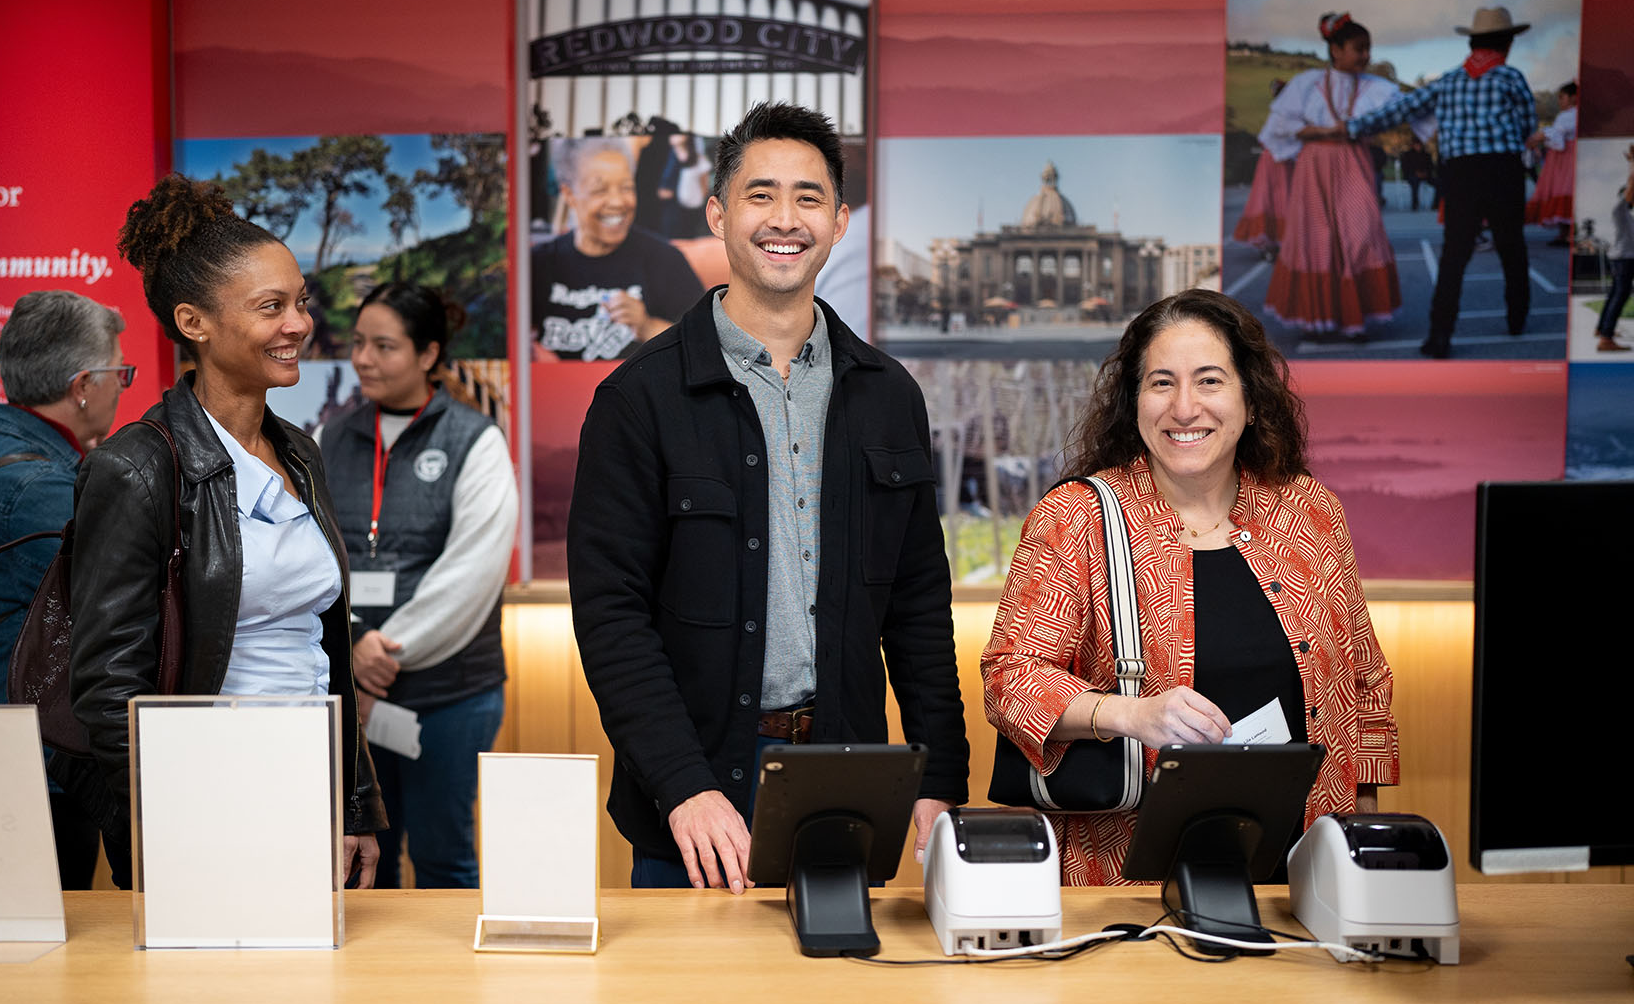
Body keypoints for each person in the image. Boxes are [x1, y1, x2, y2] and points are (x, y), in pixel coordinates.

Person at [568, 101, 970, 892]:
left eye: (808, 197)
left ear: (840, 221)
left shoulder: (888, 395)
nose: (785, 219)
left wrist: (938, 775)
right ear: (718, 214)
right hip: (694, 792)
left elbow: (918, 603)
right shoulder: (639, 398)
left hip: (848, 770)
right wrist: (683, 784)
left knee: (842, 974)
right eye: (761, 195)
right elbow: (612, 616)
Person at [981, 289, 1398, 887]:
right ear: (1134, 401)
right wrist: (1132, 713)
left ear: (1250, 400)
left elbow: (1365, 681)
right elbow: (1009, 680)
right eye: (1161, 383)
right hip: (1132, 874)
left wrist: (1362, 842)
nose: (1184, 408)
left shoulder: (1309, 511)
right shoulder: (1077, 519)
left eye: (1209, 381)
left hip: (1306, 870)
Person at [70, 174, 386, 889]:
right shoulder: (138, 468)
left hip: (309, 787)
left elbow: (324, 648)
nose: (298, 324)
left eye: (300, 302)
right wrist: (185, 823)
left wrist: (353, 803)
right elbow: (109, 689)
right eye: (271, 307)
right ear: (194, 323)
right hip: (209, 806)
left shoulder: (299, 451)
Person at [0, 289, 129, 888]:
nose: (122, 388)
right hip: (27, 766)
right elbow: (115, 602)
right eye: (120, 374)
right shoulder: (34, 490)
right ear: (83, 385)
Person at [317, 281, 516, 887]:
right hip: (353, 691)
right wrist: (353, 643)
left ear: (428, 354)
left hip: (450, 693)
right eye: (358, 343)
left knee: (443, 859)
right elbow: (311, 558)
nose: (363, 359)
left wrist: (383, 652)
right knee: (362, 859)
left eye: (384, 346)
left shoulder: (475, 439)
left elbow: (472, 573)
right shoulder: (330, 438)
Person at [1334, 6, 1538, 359]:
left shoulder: (1448, 81)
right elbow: (1527, 126)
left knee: (1454, 255)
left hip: (1460, 173)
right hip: (1503, 170)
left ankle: (1440, 335)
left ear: (1472, 43)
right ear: (1506, 44)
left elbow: (1399, 110)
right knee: (1512, 248)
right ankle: (1516, 319)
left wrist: (1352, 127)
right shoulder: (1511, 77)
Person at [1260, 14, 1430, 342]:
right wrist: (1327, 131)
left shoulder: (1376, 87)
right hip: (1315, 165)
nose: (1366, 55)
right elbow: (1283, 125)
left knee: (1360, 232)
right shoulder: (1307, 83)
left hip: (1354, 162)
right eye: (1359, 48)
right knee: (1316, 237)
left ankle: (1356, 318)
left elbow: (1411, 109)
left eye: (1368, 48)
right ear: (1336, 50)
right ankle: (1317, 320)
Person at [531, 137, 702, 362]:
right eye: (600, 190)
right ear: (569, 195)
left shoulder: (665, 260)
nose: (617, 202)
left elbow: (705, 346)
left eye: (626, 188)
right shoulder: (537, 265)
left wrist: (647, 326)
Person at [1232, 79, 1292, 261]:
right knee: (1273, 199)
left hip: (1279, 162)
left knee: (1276, 200)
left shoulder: (1284, 113)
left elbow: (1267, 138)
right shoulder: (1281, 113)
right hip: (1277, 162)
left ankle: (1277, 243)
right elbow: (1268, 138)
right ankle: (1273, 243)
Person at [1525, 81, 1578, 246]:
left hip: (1566, 159)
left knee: (1564, 189)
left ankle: (1568, 233)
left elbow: (1558, 137)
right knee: (1562, 190)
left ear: (1573, 97)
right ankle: (1565, 233)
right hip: (1562, 159)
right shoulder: (1568, 115)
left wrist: (1541, 136)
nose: (1560, 101)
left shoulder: (1571, 115)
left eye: (1562, 97)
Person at [1598, 156, 1634, 353]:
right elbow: (1631, 183)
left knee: (1615, 293)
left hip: (1621, 258)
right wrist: (1633, 163)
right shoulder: (1619, 209)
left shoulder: (1624, 214)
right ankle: (1606, 338)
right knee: (1620, 295)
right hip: (1624, 260)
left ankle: (1601, 329)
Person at [1401, 141, 1436, 212]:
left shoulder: (1426, 155)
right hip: (1412, 175)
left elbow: (1431, 166)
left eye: (1419, 145)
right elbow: (1405, 167)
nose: (1418, 147)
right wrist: (1416, 173)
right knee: (1414, 183)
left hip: (1425, 175)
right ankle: (1415, 204)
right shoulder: (1408, 155)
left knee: (1438, 183)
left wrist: (1426, 173)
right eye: (1416, 145)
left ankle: (1436, 204)